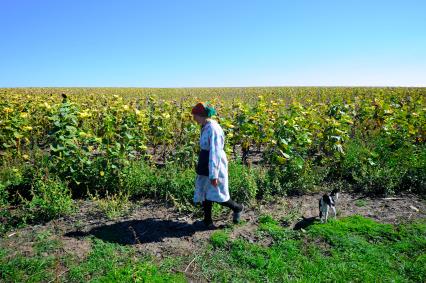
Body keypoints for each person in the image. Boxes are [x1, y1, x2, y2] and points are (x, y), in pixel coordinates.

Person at [191, 102, 244, 228]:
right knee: (205, 192)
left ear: (202, 115)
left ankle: (237, 207)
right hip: (205, 161)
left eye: (195, 116)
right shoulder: (205, 126)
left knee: (218, 193)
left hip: (214, 163)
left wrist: (214, 174)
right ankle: (207, 221)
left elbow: (215, 152)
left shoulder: (213, 129)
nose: (193, 119)